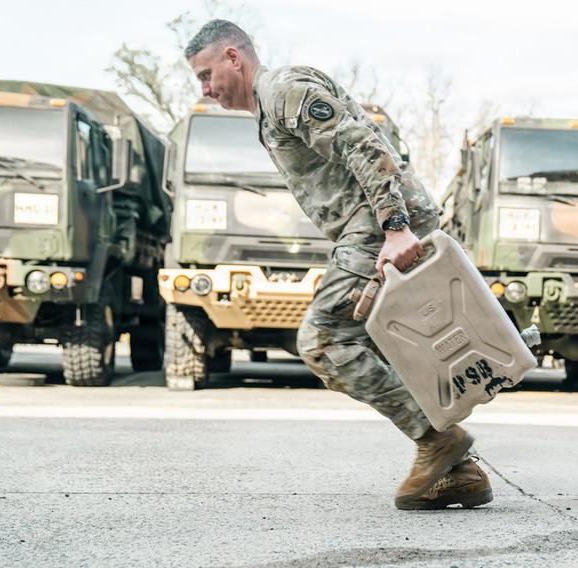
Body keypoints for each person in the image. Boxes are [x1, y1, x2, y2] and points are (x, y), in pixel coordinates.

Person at [184, 19, 492, 510]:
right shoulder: (269, 106)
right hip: (370, 224)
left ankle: (438, 441)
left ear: (233, 58)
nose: (204, 89)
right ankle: (461, 474)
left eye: (206, 75)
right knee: (374, 341)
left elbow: (363, 144)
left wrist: (394, 227)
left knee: (323, 340)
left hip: (377, 223)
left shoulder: (282, 91)